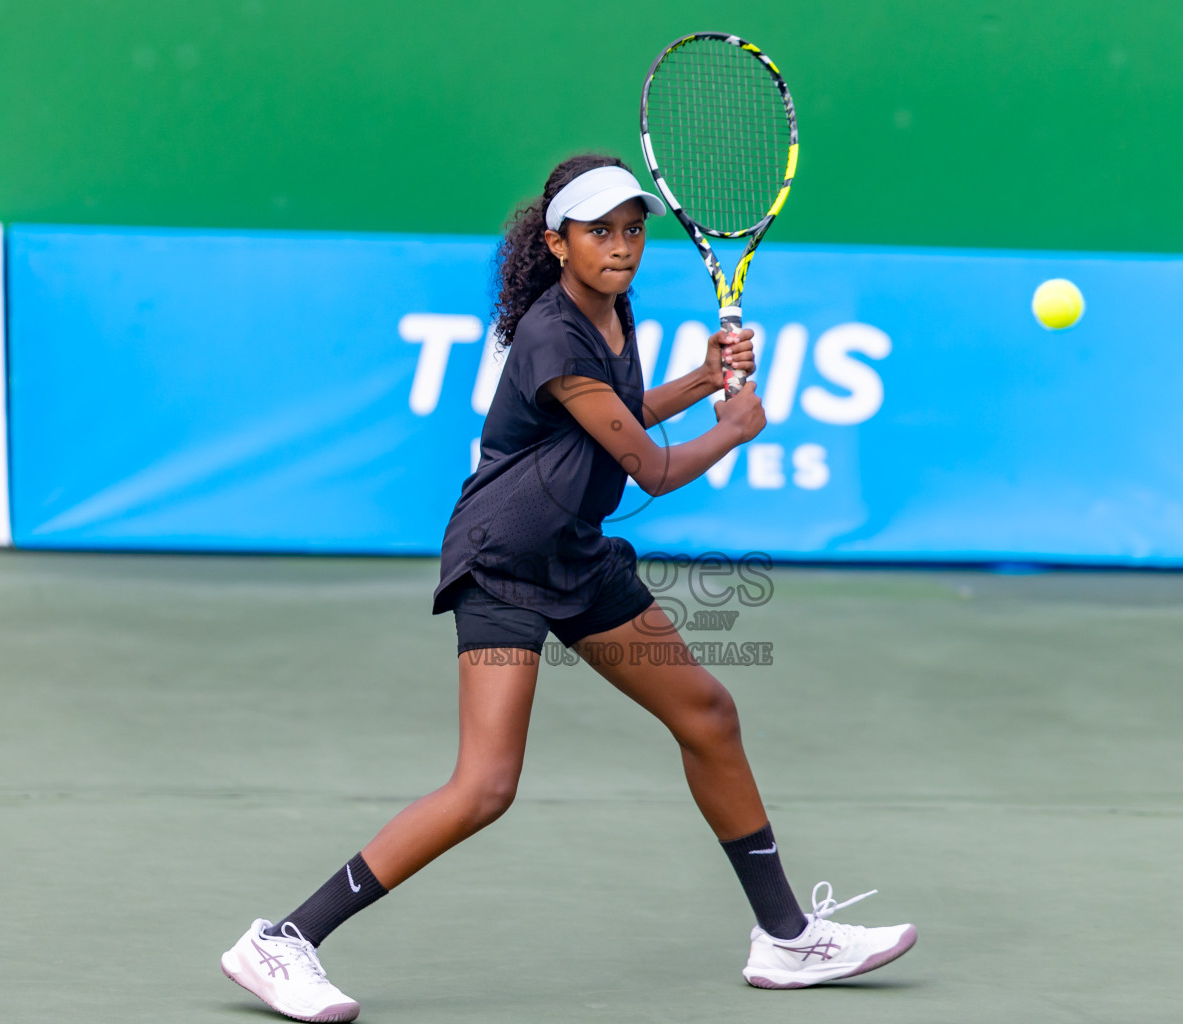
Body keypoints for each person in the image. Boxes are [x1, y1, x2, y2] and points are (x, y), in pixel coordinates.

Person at [220, 154, 916, 1022]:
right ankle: (283, 942)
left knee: (706, 713)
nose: (622, 247)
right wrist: (731, 427)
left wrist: (703, 379)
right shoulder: (554, 334)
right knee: (484, 786)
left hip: (576, 557)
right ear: (556, 244)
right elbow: (650, 470)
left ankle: (786, 938)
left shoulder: (615, 311)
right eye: (600, 232)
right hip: (505, 562)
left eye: (633, 229)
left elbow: (612, 426)